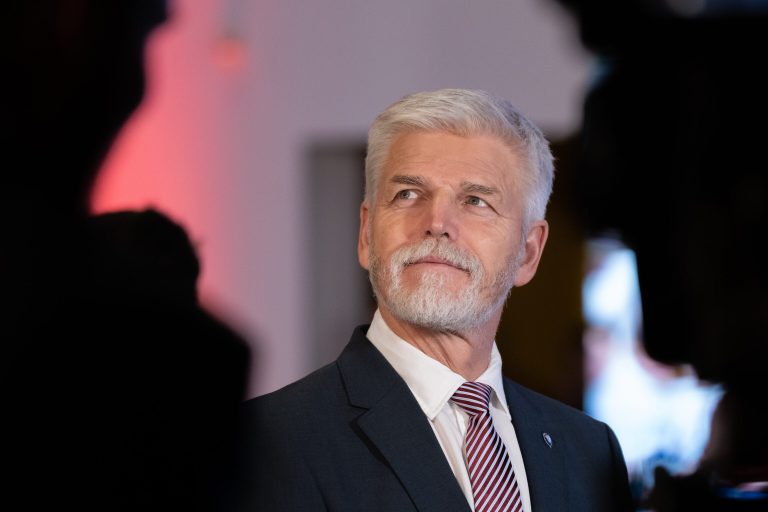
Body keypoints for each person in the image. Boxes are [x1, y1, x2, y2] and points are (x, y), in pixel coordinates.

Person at [238, 89, 633, 511]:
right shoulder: (263, 444)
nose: (437, 223)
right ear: (366, 234)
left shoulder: (590, 452)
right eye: (408, 194)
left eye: (476, 200)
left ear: (529, 252)